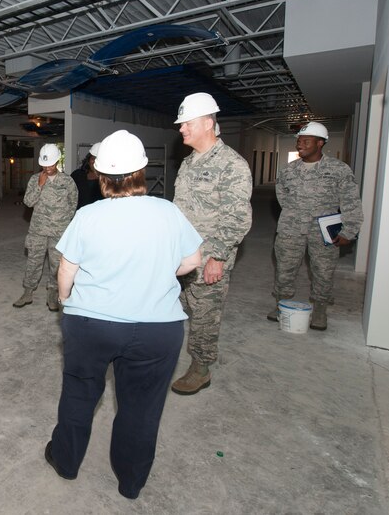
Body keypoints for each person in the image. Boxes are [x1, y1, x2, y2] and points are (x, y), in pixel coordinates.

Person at [44, 129, 202, 500]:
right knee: (142, 408)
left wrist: (67, 303)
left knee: (80, 394)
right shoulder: (169, 212)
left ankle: (66, 462)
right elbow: (192, 262)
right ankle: (130, 483)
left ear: (101, 175)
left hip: (91, 325)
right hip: (157, 330)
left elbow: (66, 269)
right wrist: (157, 271)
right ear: (142, 170)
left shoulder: (88, 215)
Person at [171, 92, 252, 396]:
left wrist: (217, 256)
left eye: (186, 123)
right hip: (181, 255)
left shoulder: (232, 165)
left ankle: (201, 368)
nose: (181, 129)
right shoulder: (189, 163)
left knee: (205, 316)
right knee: (171, 306)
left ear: (207, 123)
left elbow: (238, 218)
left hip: (208, 257)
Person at [267, 121, 363, 330]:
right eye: (299, 140)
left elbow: (351, 202)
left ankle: (320, 309)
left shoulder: (338, 170)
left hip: (323, 232)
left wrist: (349, 230)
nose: (300, 144)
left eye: (305, 140)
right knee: (284, 269)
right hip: (290, 229)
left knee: (323, 271)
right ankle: (281, 304)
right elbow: (281, 195)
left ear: (320, 143)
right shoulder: (288, 171)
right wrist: (296, 214)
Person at [13, 143, 78, 311]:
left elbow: (73, 204)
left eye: (50, 163)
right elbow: (28, 201)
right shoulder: (35, 179)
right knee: (33, 262)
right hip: (38, 231)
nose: (47, 167)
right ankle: (28, 292)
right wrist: (39, 186)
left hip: (59, 231)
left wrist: (63, 222)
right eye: (44, 164)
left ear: (57, 161)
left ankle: (52, 293)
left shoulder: (67, 181)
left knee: (57, 265)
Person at [70, 141, 104, 209]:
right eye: (93, 158)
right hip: (79, 216)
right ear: (88, 159)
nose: (95, 161)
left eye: (99, 159)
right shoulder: (77, 175)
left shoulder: (108, 180)